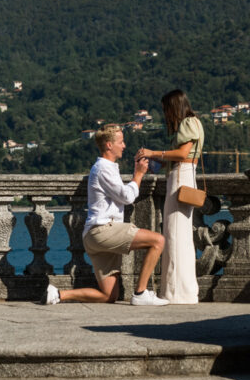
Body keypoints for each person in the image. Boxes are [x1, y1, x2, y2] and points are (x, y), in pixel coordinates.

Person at [44, 124, 169, 306]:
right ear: (109, 145)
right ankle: (141, 293)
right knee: (158, 241)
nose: (124, 145)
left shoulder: (105, 168)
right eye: (121, 141)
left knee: (108, 295)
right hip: (103, 230)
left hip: (95, 235)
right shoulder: (104, 168)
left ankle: (58, 294)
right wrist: (139, 174)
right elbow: (126, 197)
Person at [138, 89, 204, 303]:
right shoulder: (194, 123)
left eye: (166, 108)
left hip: (180, 178)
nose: (165, 113)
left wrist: (153, 153)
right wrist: (158, 161)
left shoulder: (188, 123)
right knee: (179, 235)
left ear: (173, 107)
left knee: (175, 235)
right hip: (184, 175)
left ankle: (176, 293)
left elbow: (182, 154)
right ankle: (181, 291)